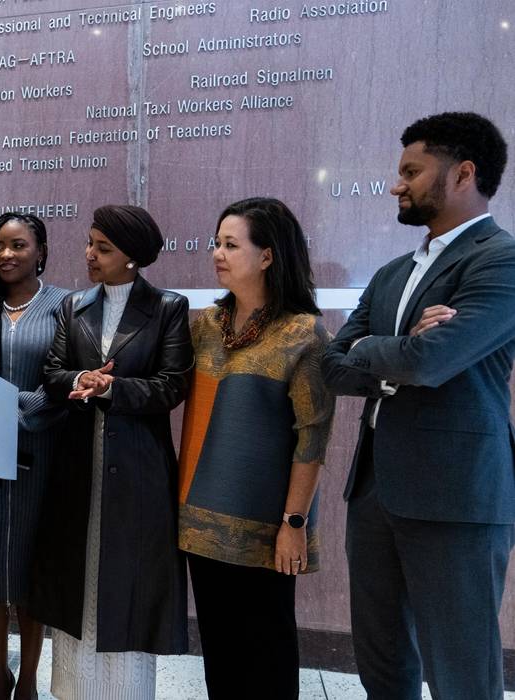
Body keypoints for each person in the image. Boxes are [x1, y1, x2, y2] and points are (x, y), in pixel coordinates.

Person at [321, 112, 514, 700]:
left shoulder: (499, 259)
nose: (395, 184)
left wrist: (379, 350)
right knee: (381, 659)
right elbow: (330, 367)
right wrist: (402, 349)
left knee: (460, 668)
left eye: (411, 170)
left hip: (456, 494)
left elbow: (433, 361)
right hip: (375, 488)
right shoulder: (391, 273)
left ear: (463, 173)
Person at [29, 205, 191, 700]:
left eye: (103, 248)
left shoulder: (167, 307)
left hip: (139, 469)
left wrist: (109, 389)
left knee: (129, 584)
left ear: (133, 258)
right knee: (77, 579)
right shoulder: (73, 304)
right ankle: (73, 689)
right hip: (77, 466)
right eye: (90, 244)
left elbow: (171, 387)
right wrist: (80, 379)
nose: (90, 255)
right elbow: (52, 373)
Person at [177, 197, 334, 698]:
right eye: (216, 243)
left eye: (231, 244)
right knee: (220, 655)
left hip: (267, 528)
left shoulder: (302, 333)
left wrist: (294, 524)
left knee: (267, 654)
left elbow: (313, 436)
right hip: (198, 520)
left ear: (267, 256)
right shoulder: (204, 325)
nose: (217, 253)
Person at [0, 213, 69, 700]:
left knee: (30, 571)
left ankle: (29, 680)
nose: (6, 255)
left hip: (43, 453)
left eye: (18, 245)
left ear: (40, 251)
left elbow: (65, 381)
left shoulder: (65, 305)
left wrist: (10, 406)